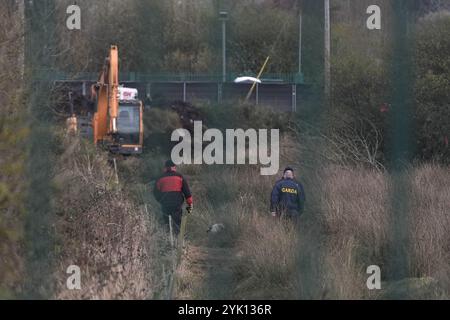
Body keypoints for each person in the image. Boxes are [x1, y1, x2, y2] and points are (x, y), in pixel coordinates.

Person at [154, 160, 193, 235]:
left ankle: (169, 240)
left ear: (165, 168)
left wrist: (160, 201)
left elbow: (155, 192)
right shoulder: (179, 176)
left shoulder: (160, 178)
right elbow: (187, 191)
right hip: (177, 204)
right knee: (177, 222)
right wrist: (190, 203)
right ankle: (179, 240)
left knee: (167, 223)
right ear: (174, 167)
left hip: (165, 204)